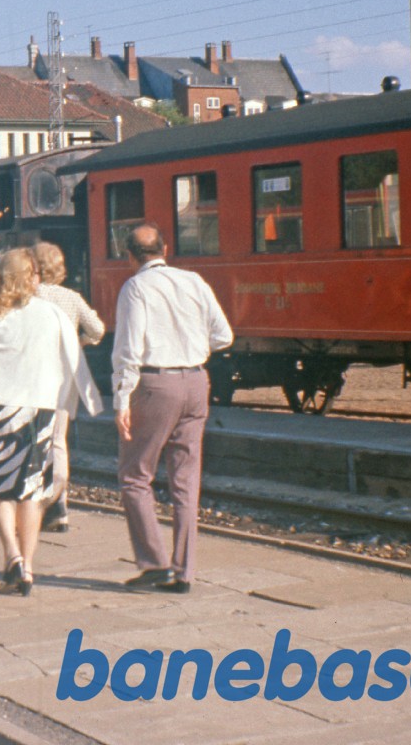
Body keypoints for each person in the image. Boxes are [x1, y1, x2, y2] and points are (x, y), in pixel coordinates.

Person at [0, 248, 102, 597]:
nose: (38, 278)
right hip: (38, 413)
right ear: (30, 277)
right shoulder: (52, 315)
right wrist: (87, 400)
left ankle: (12, 554)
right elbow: (73, 360)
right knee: (31, 492)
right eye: (34, 273)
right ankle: (29, 567)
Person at [113, 223, 232, 594]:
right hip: (197, 382)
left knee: (135, 475)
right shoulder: (194, 281)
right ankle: (184, 571)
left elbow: (129, 350)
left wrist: (121, 399)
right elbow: (224, 335)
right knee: (185, 478)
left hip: (155, 385)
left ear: (129, 255)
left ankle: (154, 565)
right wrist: (193, 349)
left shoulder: (135, 288)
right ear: (164, 249)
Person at [31, 241, 106, 534]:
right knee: (58, 441)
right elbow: (98, 329)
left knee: (34, 441)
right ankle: (59, 506)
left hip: (32, 378)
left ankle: (39, 502)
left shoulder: (28, 298)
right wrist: (79, 343)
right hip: (65, 378)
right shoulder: (72, 298)